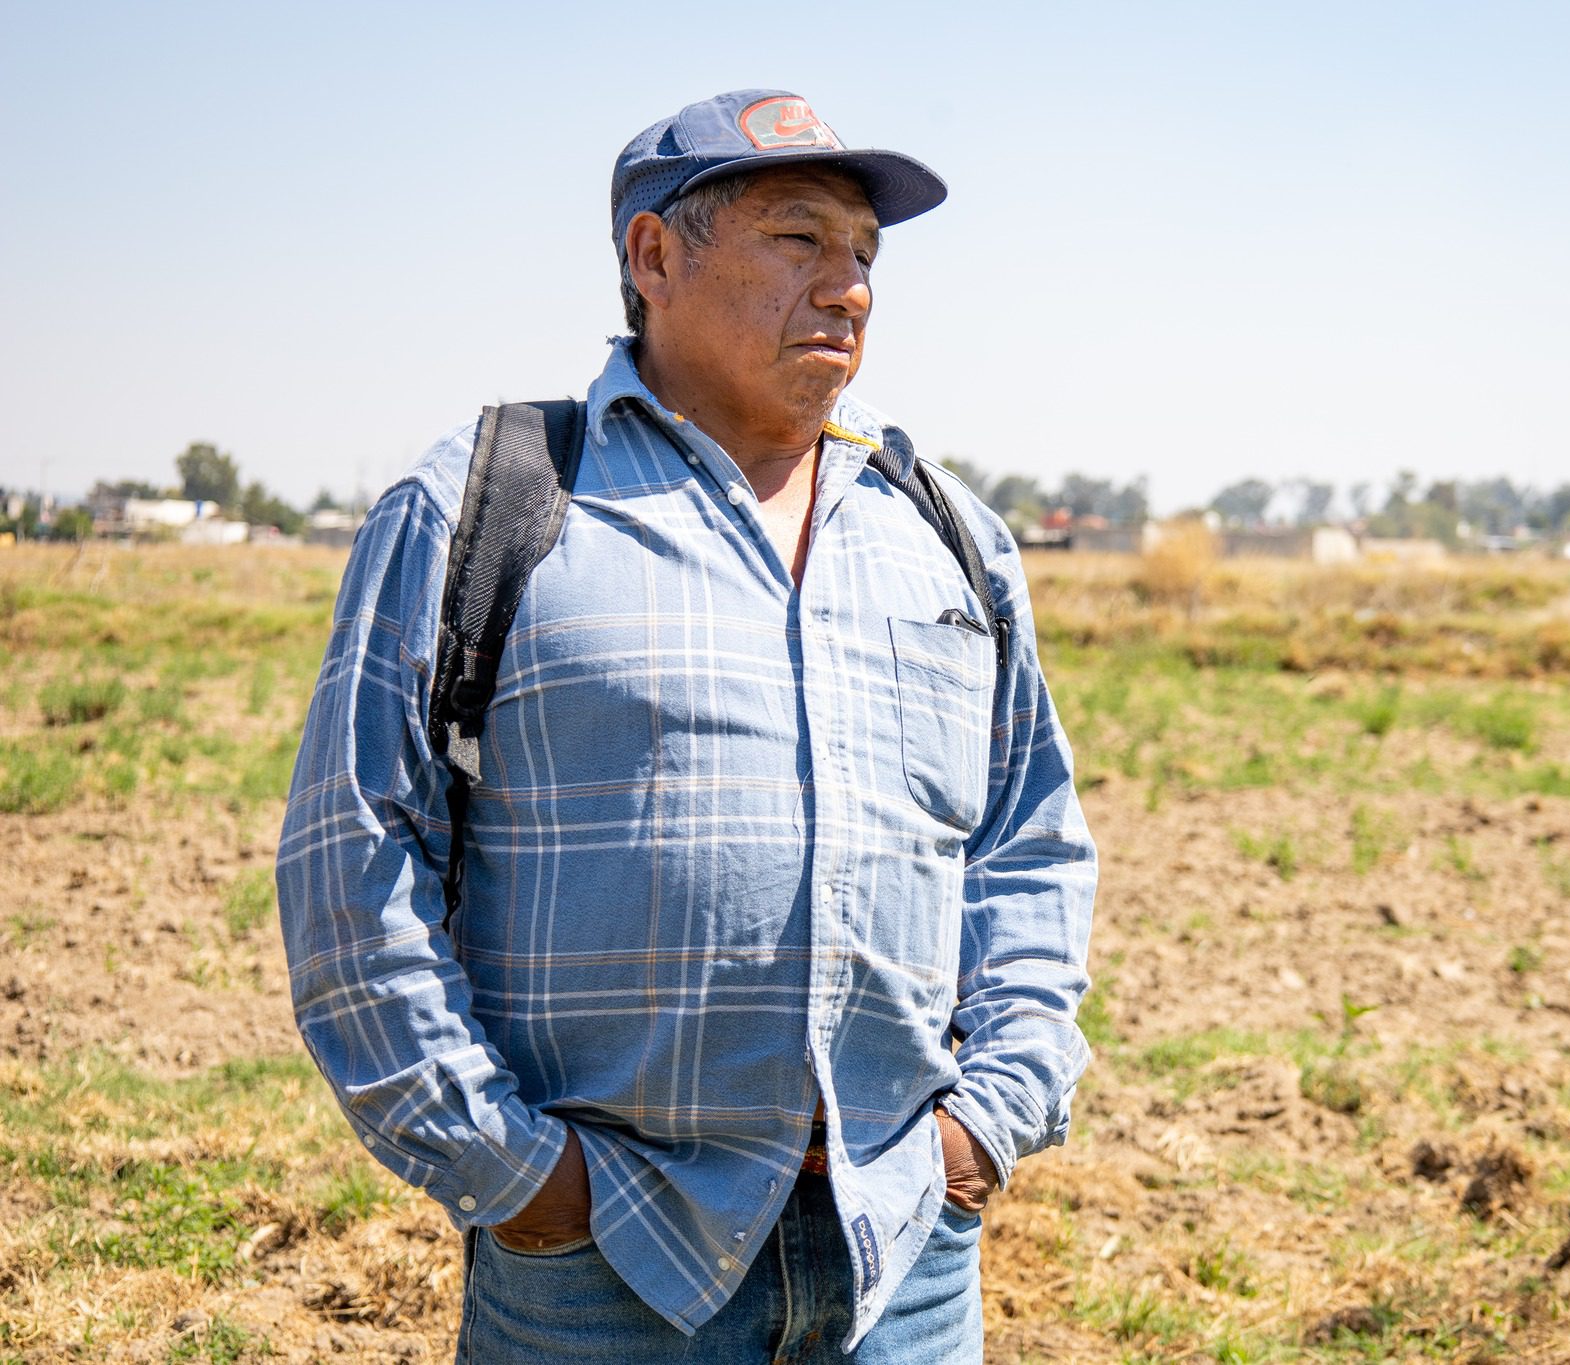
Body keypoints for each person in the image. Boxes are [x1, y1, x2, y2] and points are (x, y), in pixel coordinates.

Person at [276, 89, 1096, 1363]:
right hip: (600, 1263)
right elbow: (355, 858)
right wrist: (515, 1175)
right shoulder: (489, 504)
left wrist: (988, 1121)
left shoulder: (945, 534)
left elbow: (1026, 843)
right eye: (798, 241)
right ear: (655, 257)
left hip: (903, 1253)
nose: (851, 289)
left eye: (866, 256)